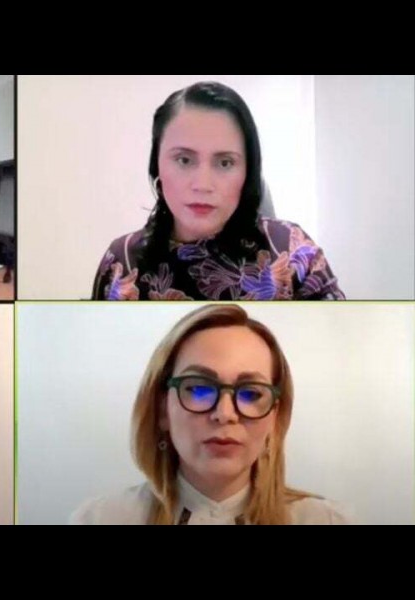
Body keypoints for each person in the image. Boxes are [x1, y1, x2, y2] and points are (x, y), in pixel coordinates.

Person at [70, 304, 350, 525]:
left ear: (274, 418)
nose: (225, 414)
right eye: (199, 389)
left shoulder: (326, 521)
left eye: (251, 394)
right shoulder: (98, 519)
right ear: (162, 409)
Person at [92, 82, 344, 300]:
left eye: (225, 163)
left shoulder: (293, 250)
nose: (203, 184)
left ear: (248, 172)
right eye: (184, 160)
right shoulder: (121, 262)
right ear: (156, 164)